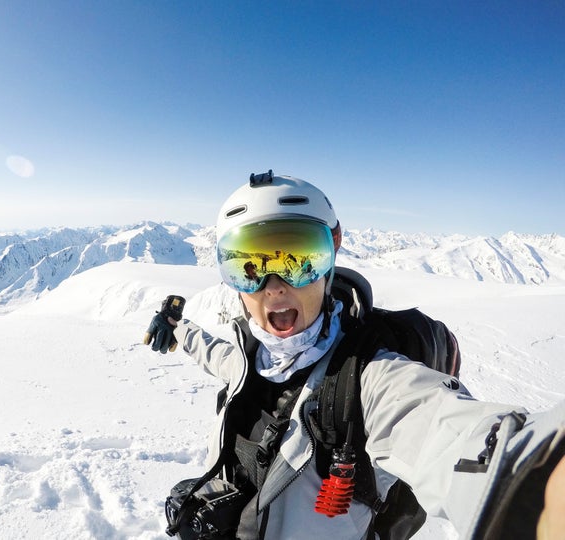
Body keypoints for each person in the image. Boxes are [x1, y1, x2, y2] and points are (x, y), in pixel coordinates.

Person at [145, 171, 565, 539]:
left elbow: (442, 427)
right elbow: (218, 356)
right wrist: (178, 329)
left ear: (333, 252)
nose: (273, 285)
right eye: (248, 266)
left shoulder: (368, 377)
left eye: (299, 260)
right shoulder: (252, 357)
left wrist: (535, 481)